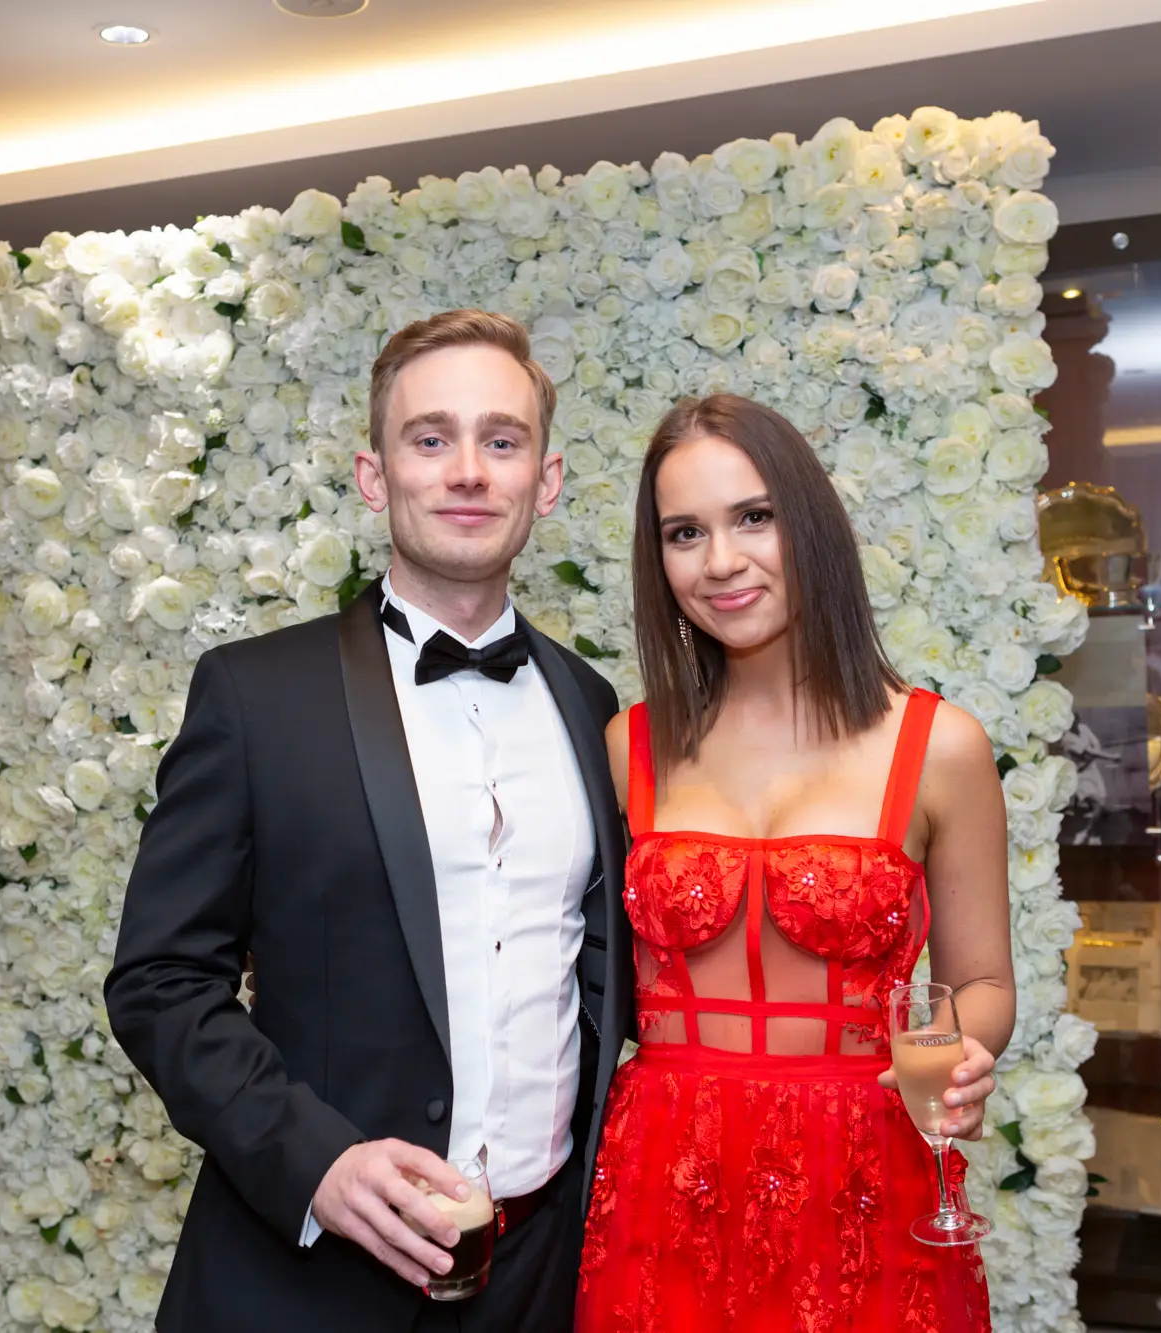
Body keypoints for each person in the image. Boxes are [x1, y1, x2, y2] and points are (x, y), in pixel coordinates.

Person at [106, 310, 633, 1332]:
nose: (468, 471)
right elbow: (160, 983)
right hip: (311, 1278)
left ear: (547, 479)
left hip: (542, 1271)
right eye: (429, 439)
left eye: (501, 440)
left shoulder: (591, 707)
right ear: (372, 474)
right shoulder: (255, 698)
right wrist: (320, 1165)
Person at [576, 394, 1013, 1333]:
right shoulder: (628, 747)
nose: (721, 561)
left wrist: (964, 1052)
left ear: (809, 525)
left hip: (865, 1173)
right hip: (666, 1177)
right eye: (684, 532)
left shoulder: (938, 746)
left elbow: (978, 980)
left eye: (754, 517)